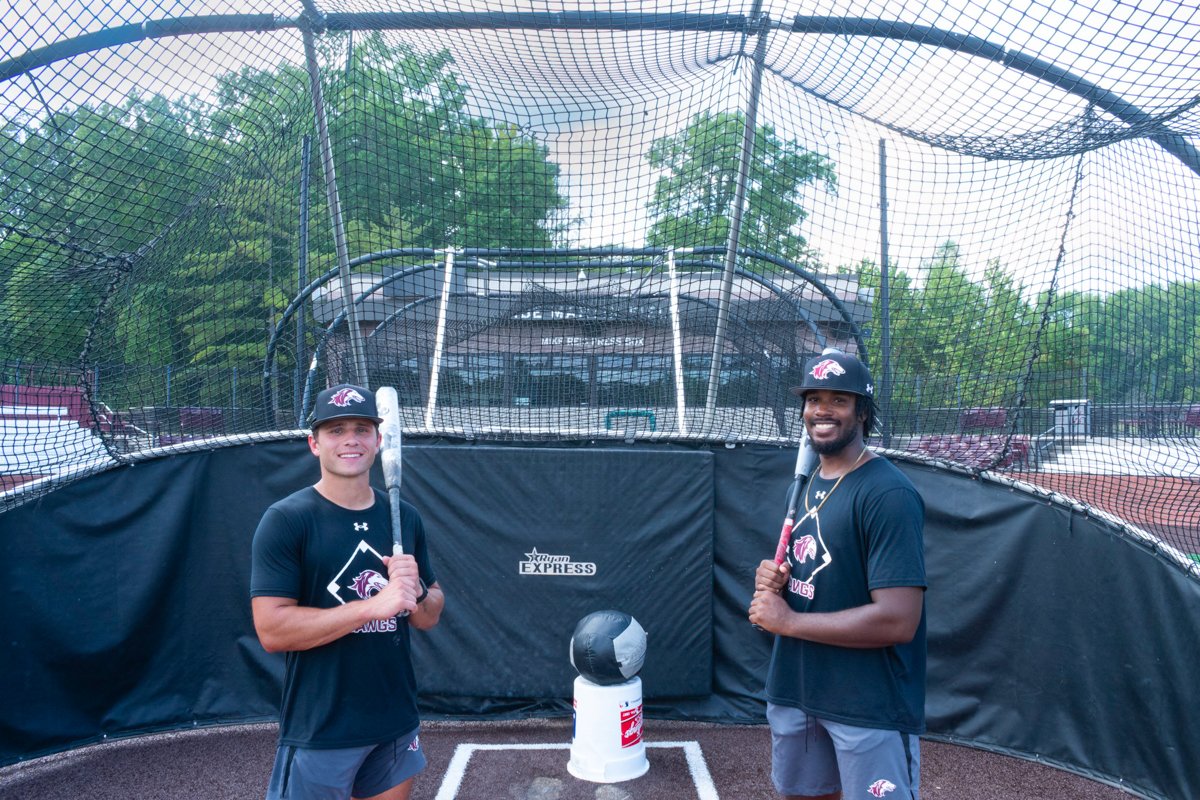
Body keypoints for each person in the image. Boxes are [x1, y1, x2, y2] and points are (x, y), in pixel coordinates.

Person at [251, 383, 444, 800]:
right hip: (322, 725)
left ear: (378, 440)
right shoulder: (287, 520)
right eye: (336, 430)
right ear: (314, 443)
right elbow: (272, 630)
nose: (350, 439)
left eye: (361, 428)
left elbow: (430, 615)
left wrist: (417, 592)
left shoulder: (403, 518)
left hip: (393, 718)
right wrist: (371, 607)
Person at [749, 351, 926, 800]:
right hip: (797, 690)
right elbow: (823, 578)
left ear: (863, 412)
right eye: (813, 399)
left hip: (866, 704)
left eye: (838, 400)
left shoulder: (887, 494)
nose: (821, 410)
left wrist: (786, 621)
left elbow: (897, 620)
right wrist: (778, 583)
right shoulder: (810, 483)